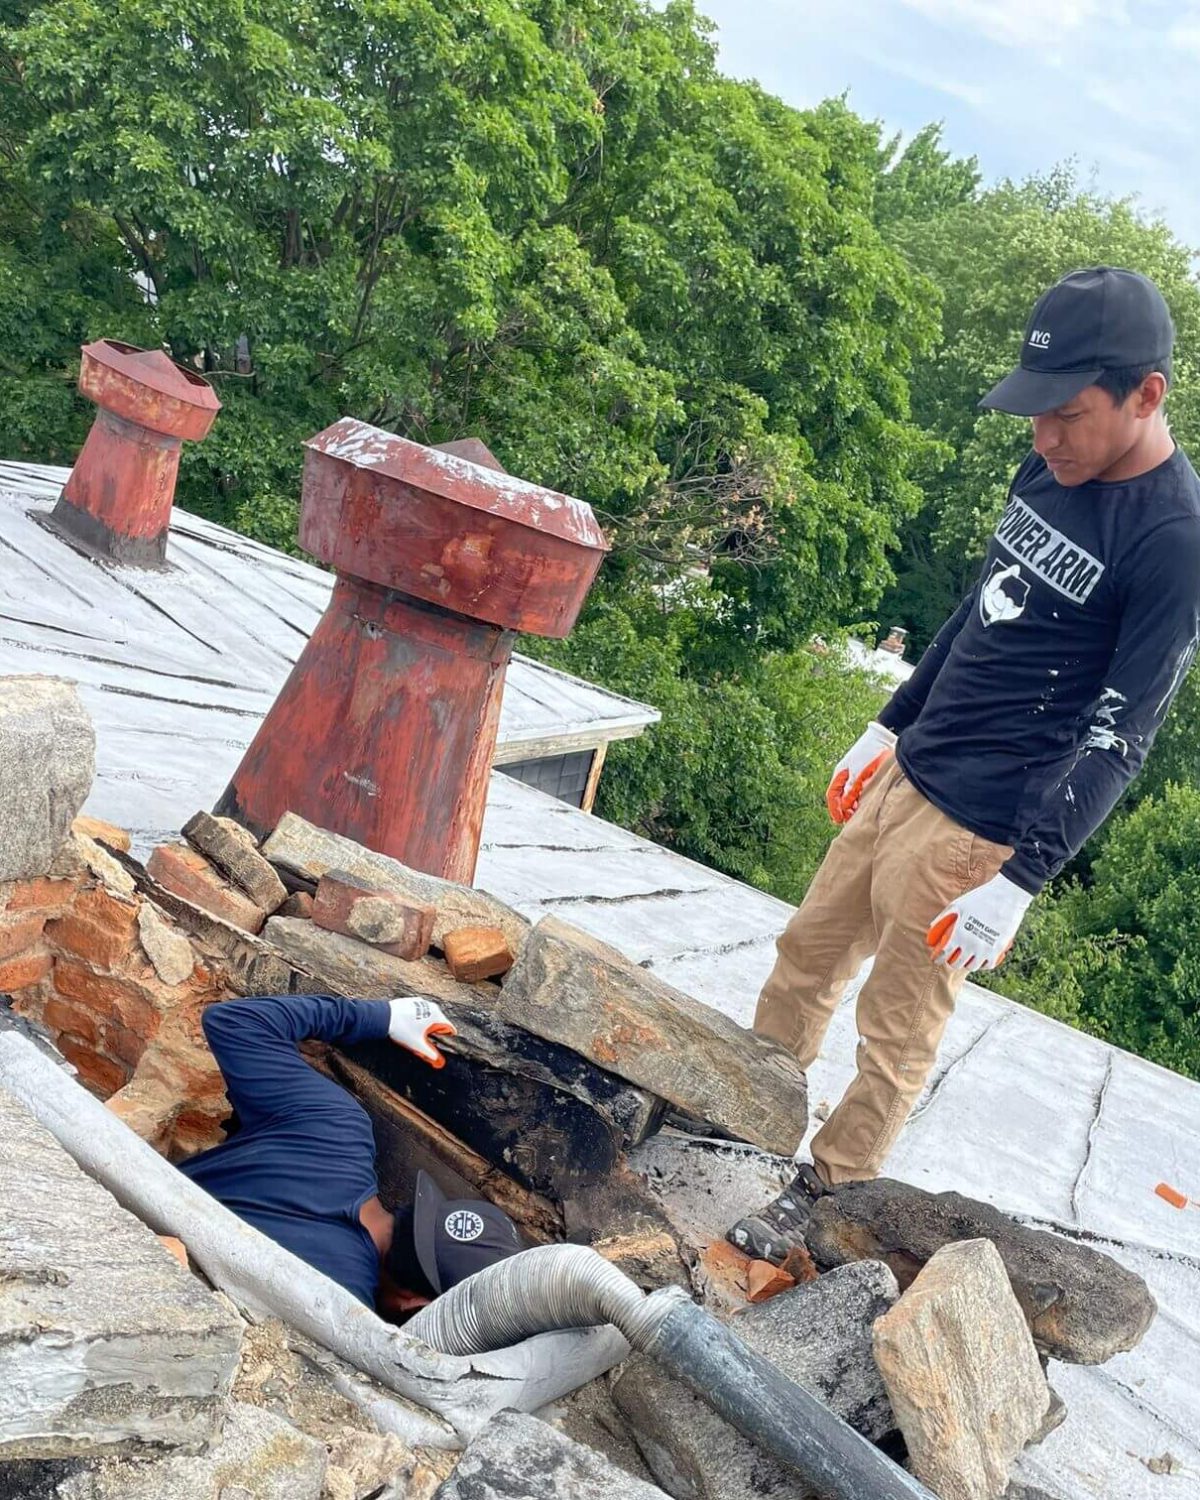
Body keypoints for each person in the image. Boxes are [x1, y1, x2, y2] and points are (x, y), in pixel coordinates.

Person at [728, 266, 1200, 1262]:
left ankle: (826, 1197)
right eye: (1036, 413)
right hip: (910, 776)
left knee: (894, 1034)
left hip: (980, 835)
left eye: (1067, 414)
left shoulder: (1172, 540)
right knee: (803, 964)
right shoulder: (1051, 468)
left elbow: (1127, 730)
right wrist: (888, 722)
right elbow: (976, 608)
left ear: (1145, 395)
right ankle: (739, 1122)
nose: (1044, 436)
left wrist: (1022, 879)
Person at [179, 991, 525, 1316]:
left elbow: (236, 1021)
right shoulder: (338, 1306)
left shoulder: (335, 1125)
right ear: (413, 1303)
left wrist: (382, 1017)